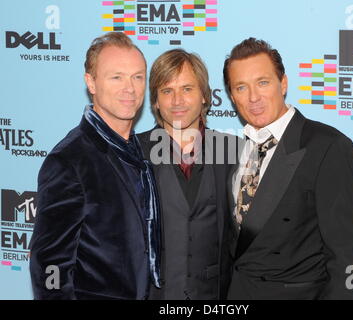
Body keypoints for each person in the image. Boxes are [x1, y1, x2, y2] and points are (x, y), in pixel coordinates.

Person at [223, 38, 353, 299]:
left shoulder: (328, 147)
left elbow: (348, 255)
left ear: (284, 83)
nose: (253, 97)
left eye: (263, 82)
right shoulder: (233, 149)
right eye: (241, 87)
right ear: (232, 96)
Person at [29, 32, 161, 300]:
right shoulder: (69, 161)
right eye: (116, 77)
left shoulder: (140, 152)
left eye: (137, 77)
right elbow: (50, 266)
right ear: (91, 82)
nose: (130, 88)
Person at [137, 49, 239, 299]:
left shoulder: (236, 151)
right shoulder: (133, 153)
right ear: (155, 101)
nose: (177, 101)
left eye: (187, 89)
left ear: (205, 96)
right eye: (167, 91)